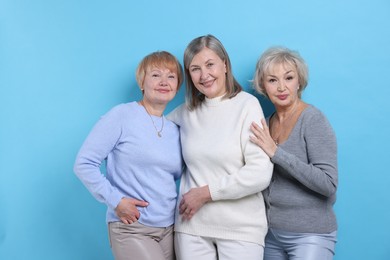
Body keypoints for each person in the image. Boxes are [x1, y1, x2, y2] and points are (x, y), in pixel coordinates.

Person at [167, 34, 274, 260]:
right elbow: (149, 132)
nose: (204, 75)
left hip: (241, 230)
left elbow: (260, 173)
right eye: (195, 69)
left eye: (210, 65)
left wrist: (206, 193)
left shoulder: (247, 105)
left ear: (224, 64)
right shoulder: (185, 113)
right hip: (191, 227)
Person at [73, 51, 184, 260]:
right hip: (132, 226)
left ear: (177, 86)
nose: (164, 82)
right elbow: (84, 163)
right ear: (142, 82)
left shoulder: (174, 128)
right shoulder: (122, 115)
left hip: (170, 228)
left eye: (171, 76)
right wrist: (116, 201)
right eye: (155, 75)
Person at [250, 47, 338, 259]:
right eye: (272, 80)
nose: (281, 87)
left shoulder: (313, 120)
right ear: (263, 85)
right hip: (270, 234)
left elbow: (328, 184)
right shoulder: (267, 123)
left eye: (288, 78)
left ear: (299, 81)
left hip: (311, 234)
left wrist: (276, 152)